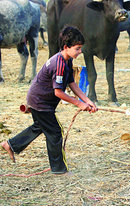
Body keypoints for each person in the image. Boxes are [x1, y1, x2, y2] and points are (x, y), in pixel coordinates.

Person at [1, 26, 97, 175]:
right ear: (66, 47)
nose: (80, 52)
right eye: (77, 49)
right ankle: (59, 169)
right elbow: (58, 92)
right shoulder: (58, 64)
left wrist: (87, 100)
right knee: (55, 132)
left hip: (39, 100)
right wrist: (79, 103)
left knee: (40, 126)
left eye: (80, 48)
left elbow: (71, 83)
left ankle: (11, 145)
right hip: (40, 102)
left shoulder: (67, 60)